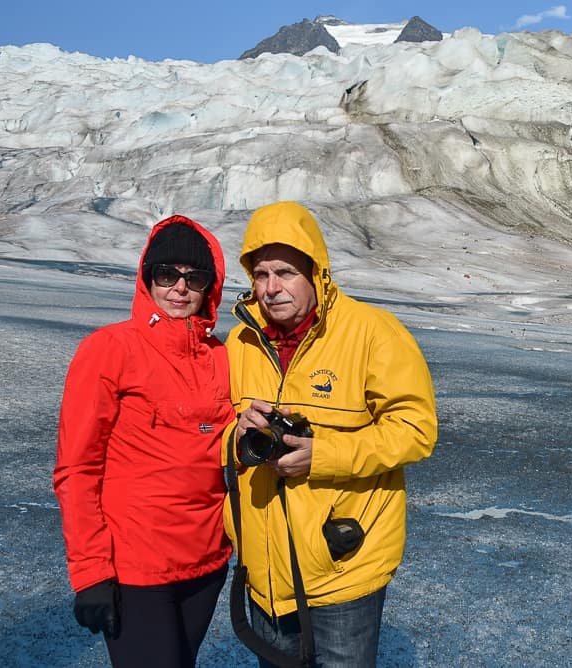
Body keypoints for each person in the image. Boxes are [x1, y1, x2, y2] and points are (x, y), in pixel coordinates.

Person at [222, 201, 438, 667]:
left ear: (315, 272)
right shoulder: (239, 343)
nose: (271, 288)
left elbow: (416, 429)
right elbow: (218, 431)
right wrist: (236, 437)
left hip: (342, 564)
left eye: (285, 272)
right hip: (264, 570)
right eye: (260, 274)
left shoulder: (372, 332)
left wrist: (323, 455)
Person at [54, 215, 235, 667]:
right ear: (147, 277)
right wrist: (91, 572)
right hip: (136, 568)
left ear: (210, 287)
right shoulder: (108, 349)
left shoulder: (224, 358)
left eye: (194, 278)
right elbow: (76, 468)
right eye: (166, 274)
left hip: (207, 564)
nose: (179, 288)